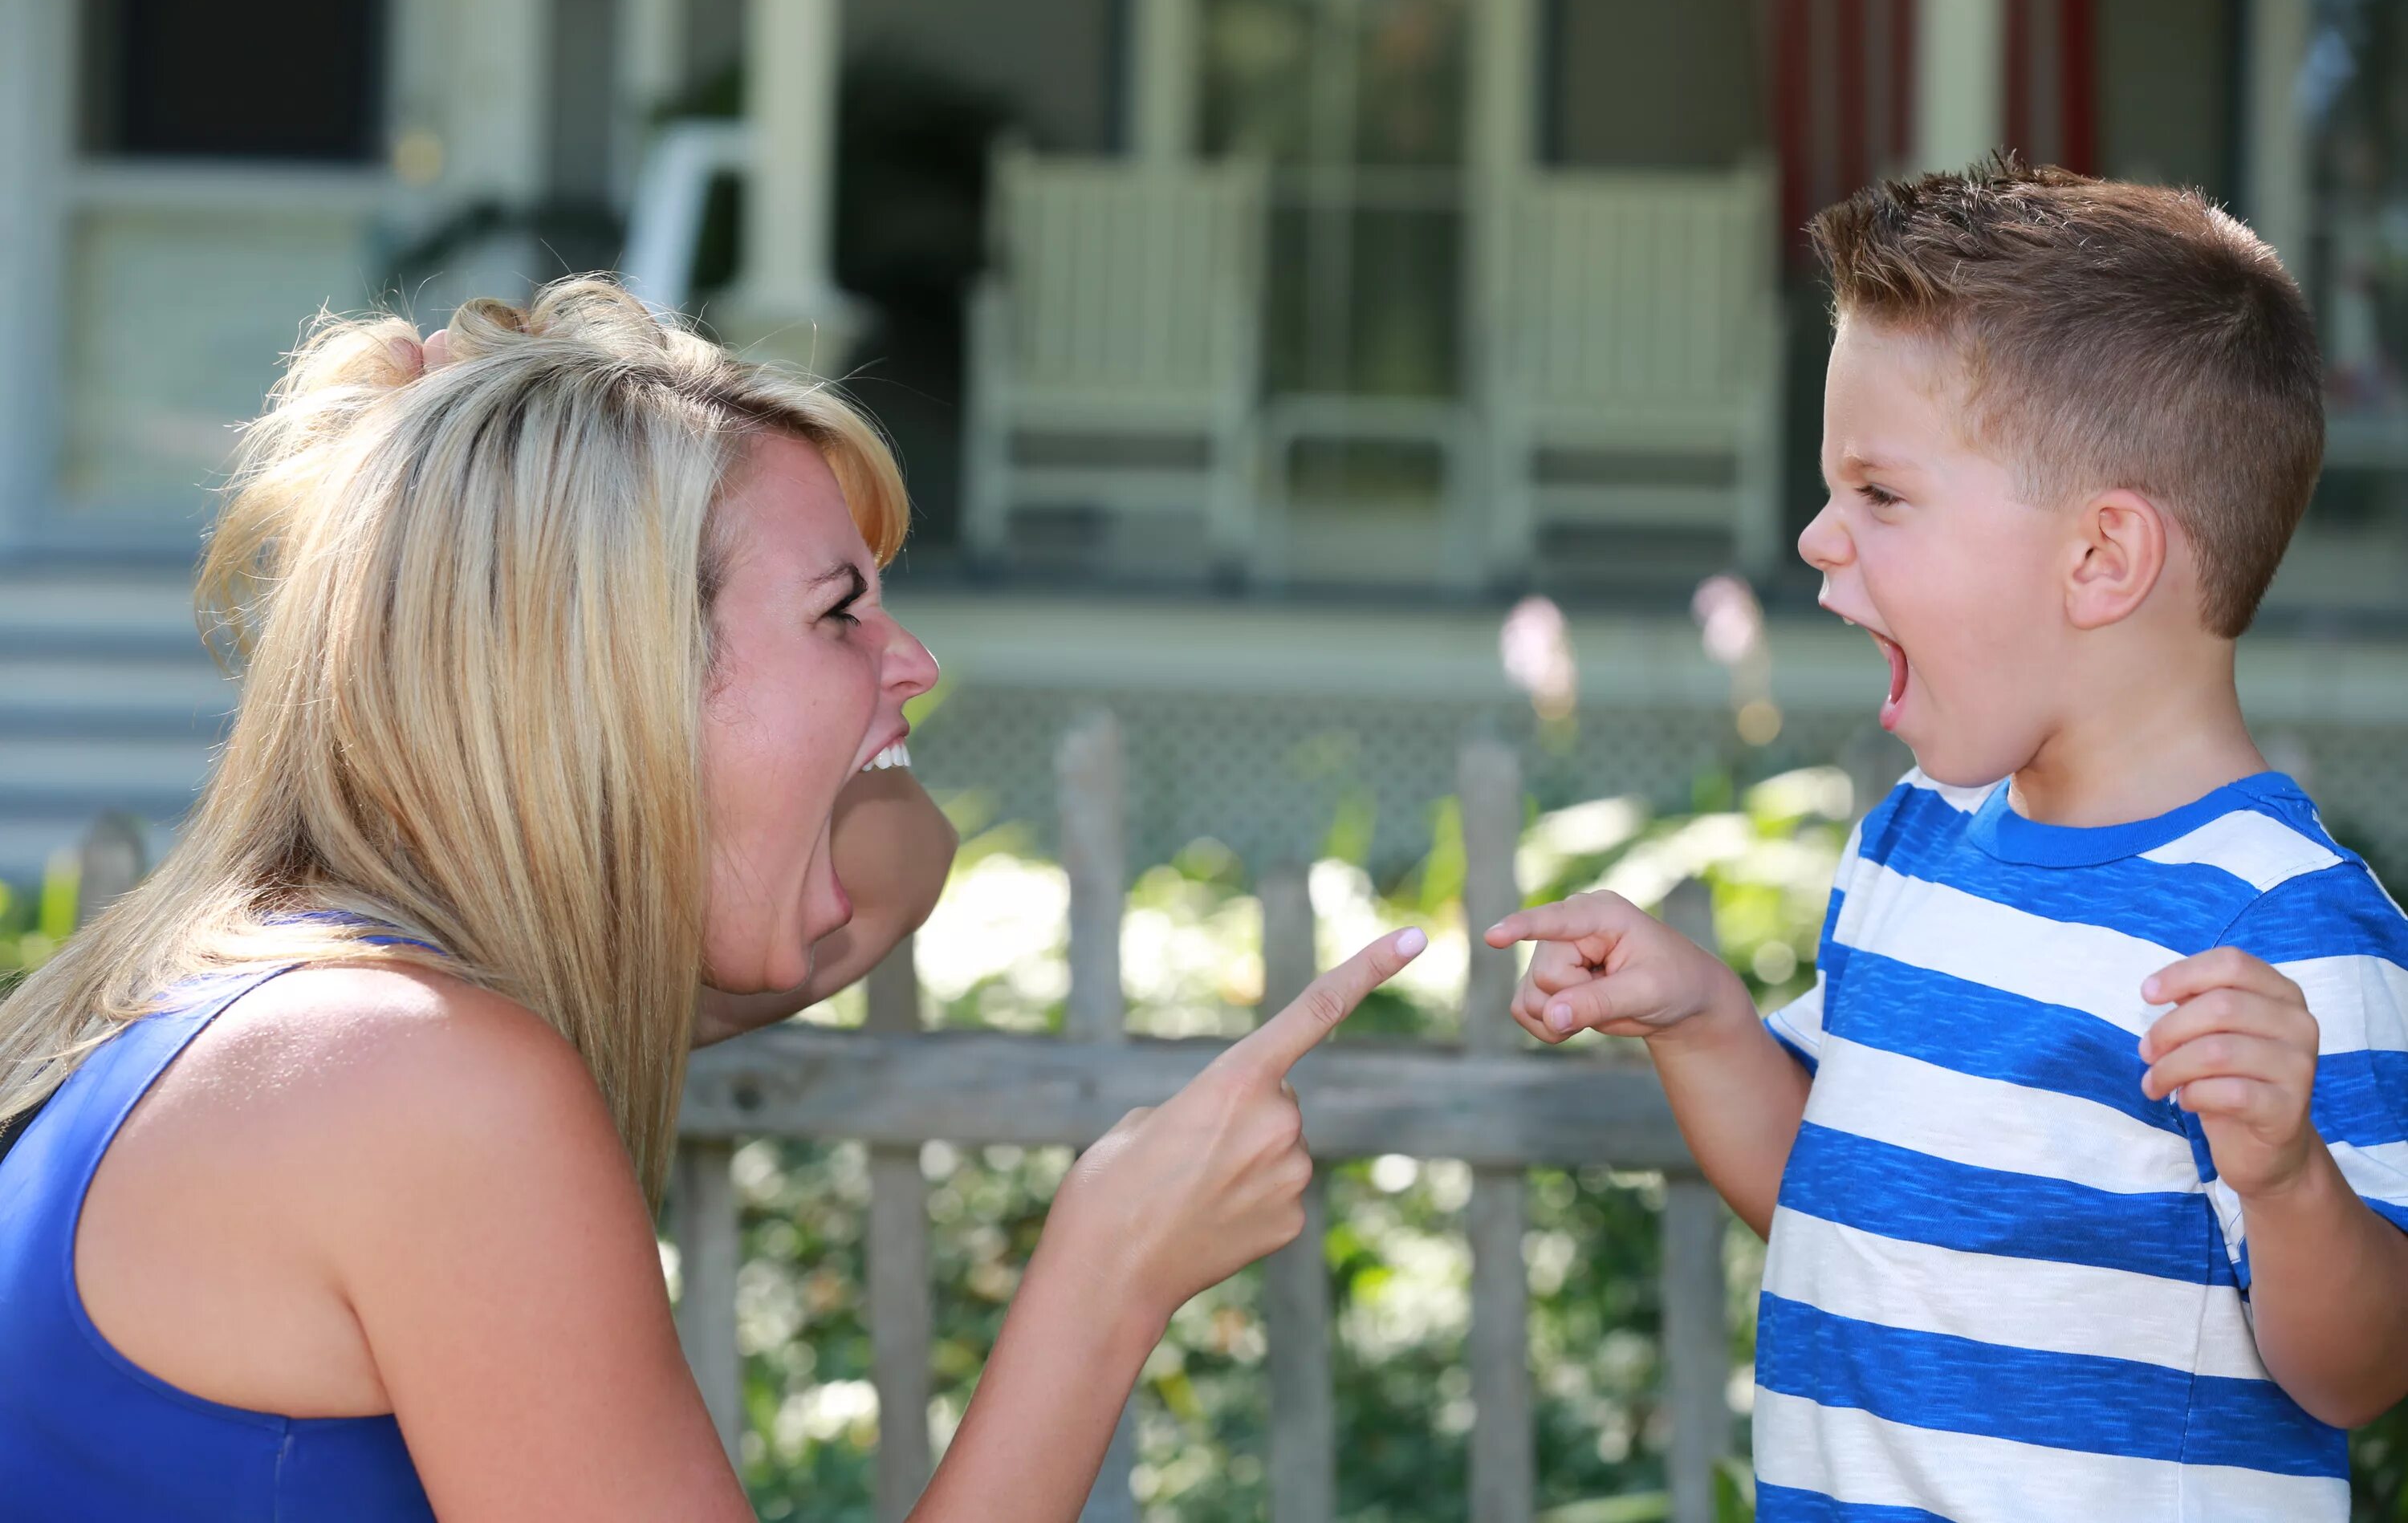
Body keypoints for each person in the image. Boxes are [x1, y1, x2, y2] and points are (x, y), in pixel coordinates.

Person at [0, 278, 1426, 1521]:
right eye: (839, 612)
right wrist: (1108, 1278)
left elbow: (887, 863)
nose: (914, 658)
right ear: (610, 681)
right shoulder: (417, 1082)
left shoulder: (289, 998)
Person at [1486, 157, 2408, 1521]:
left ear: (2101, 559)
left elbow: (2359, 1373)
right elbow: (1840, 1209)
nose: (1815, 539)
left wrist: (2286, 1181)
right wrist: (1703, 1024)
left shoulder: (2281, 931)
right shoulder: (1914, 849)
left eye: (1880, 494)